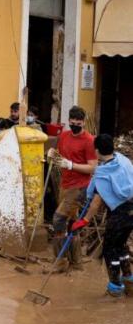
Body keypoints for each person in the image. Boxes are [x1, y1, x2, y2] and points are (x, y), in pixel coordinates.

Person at [72, 134, 133, 297]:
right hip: (132, 211)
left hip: (120, 213)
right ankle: (129, 280)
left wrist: (84, 220)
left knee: (109, 249)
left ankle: (115, 286)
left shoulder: (102, 174)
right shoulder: (123, 160)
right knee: (121, 246)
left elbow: (96, 202)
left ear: (97, 151)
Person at [47, 106, 97, 272]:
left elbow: (92, 168)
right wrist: (52, 153)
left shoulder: (89, 140)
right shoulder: (64, 136)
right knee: (71, 223)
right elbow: (60, 154)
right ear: (69, 121)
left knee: (58, 219)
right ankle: (76, 262)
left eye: (79, 122)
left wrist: (71, 165)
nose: (75, 124)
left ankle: (60, 261)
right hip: (65, 185)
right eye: (72, 122)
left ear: (83, 122)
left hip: (80, 187)